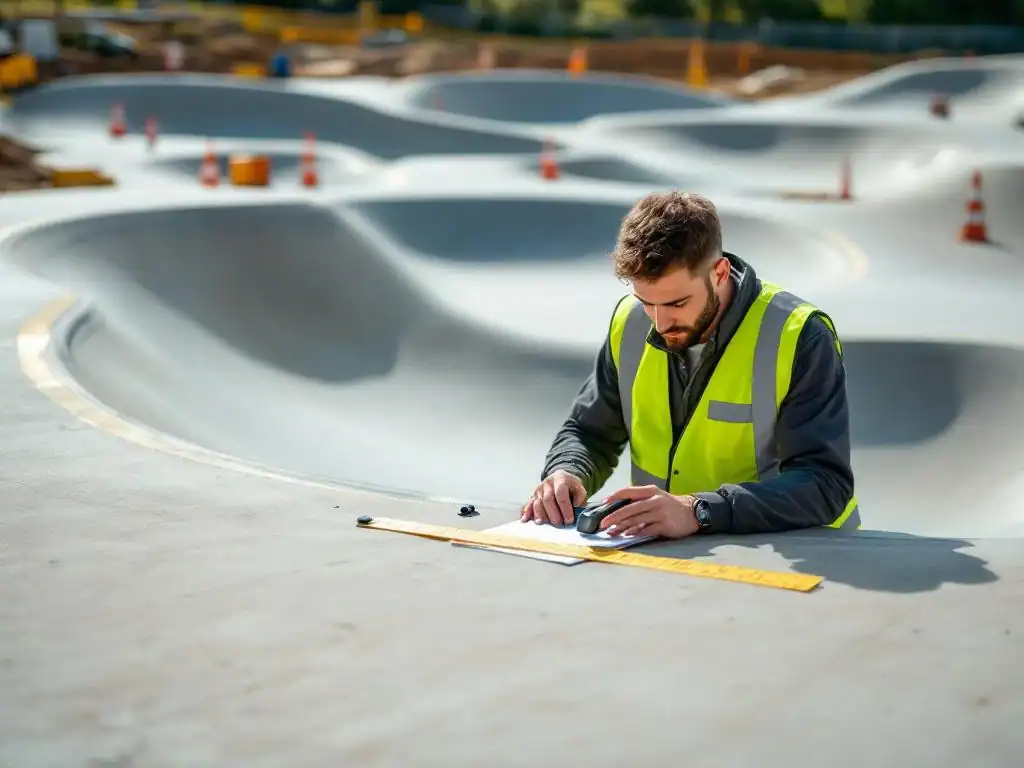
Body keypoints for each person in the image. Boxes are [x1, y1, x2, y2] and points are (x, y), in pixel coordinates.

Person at [521, 191, 859, 539]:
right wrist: (567, 472)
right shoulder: (631, 322)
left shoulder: (799, 335)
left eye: (677, 303)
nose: (659, 321)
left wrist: (699, 510)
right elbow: (589, 431)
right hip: (673, 560)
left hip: (800, 565)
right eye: (646, 302)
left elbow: (824, 483)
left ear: (719, 272)